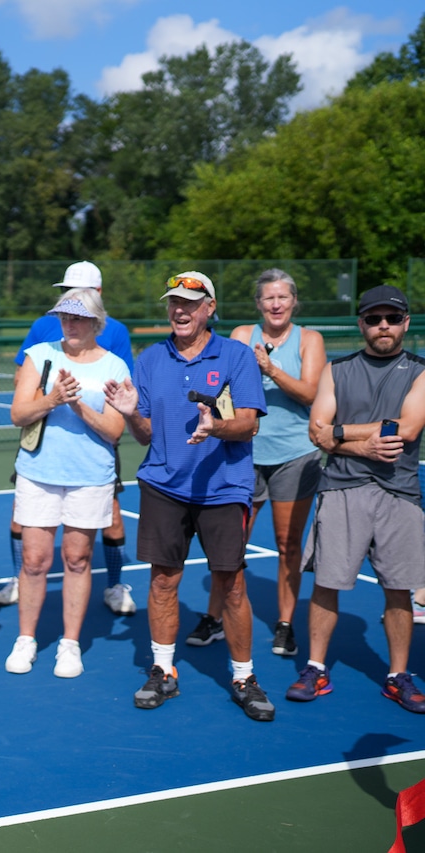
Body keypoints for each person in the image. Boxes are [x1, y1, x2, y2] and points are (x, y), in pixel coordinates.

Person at [104, 271, 273, 722]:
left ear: (209, 308)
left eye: (190, 303)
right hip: (163, 486)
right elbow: (144, 434)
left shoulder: (235, 356)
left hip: (223, 488)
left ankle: (243, 677)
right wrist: (129, 414)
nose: (180, 310)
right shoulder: (151, 360)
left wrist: (215, 426)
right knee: (163, 581)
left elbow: (250, 424)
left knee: (232, 584)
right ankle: (162, 670)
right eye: (173, 303)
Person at [286, 285, 425, 714]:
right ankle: (314, 667)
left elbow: (406, 430)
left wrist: (343, 433)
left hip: (399, 493)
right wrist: (362, 445)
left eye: (391, 318)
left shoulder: (420, 371)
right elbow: (316, 430)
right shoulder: (336, 369)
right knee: (327, 583)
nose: (383, 326)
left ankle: (398, 675)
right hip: (341, 490)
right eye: (373, 319)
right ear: (361, 324)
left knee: (399, 589)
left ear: (404, 323)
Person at [189, 269, 326, 654]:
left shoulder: (309, 340)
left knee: (288, 544)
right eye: (269, 298)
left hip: (294, 456)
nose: (276, 304)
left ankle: (284, 624)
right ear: (259, 304)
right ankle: (214, 617)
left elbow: (310, 393)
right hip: (242, 455)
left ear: (294, 301)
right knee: (231, 543)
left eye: (283, 297)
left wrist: (269, 369)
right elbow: (222, 388)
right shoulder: (240, 336)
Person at [0, 261, 136, 613]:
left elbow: (120, 388)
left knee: (111, 516)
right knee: (23, 523)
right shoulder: (44, 326)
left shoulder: (115, 333)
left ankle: (115, 584)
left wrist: (81, 405)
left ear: (97, 298)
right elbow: (26, 373)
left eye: (78, 300)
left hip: (93, 452)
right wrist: (48, 398)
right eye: (64, 296)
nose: (69, 315)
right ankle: (18, 578)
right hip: (42, 447)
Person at [4, 289, 128, 678]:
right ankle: (26, 639)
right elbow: (19, 414)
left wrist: (77, 405)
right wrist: (53, 398)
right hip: (38, 475)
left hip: (90, 477)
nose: (70, 325)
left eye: (78, 318)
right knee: (34, 560)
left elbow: (114, 431)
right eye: (64, 317)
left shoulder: (115, 367)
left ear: (95, 322)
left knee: (77, 560)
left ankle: (70, 644)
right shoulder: (39, 355)